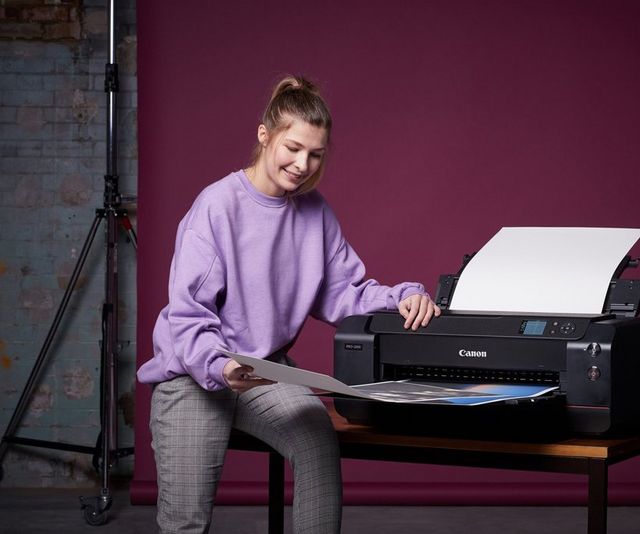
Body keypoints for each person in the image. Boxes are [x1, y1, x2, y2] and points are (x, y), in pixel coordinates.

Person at [137, 75, 440, 534]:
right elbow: (188, 313)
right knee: (186, 522)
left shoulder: (315, 212)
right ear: (264, 134)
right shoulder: (217, 206)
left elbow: (346, 292)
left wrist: (404, 296)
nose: (302, 164)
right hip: (195, 375)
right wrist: (221, 367)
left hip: (264, 373)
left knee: (319, 441)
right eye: (293, 147)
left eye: (316, 154)